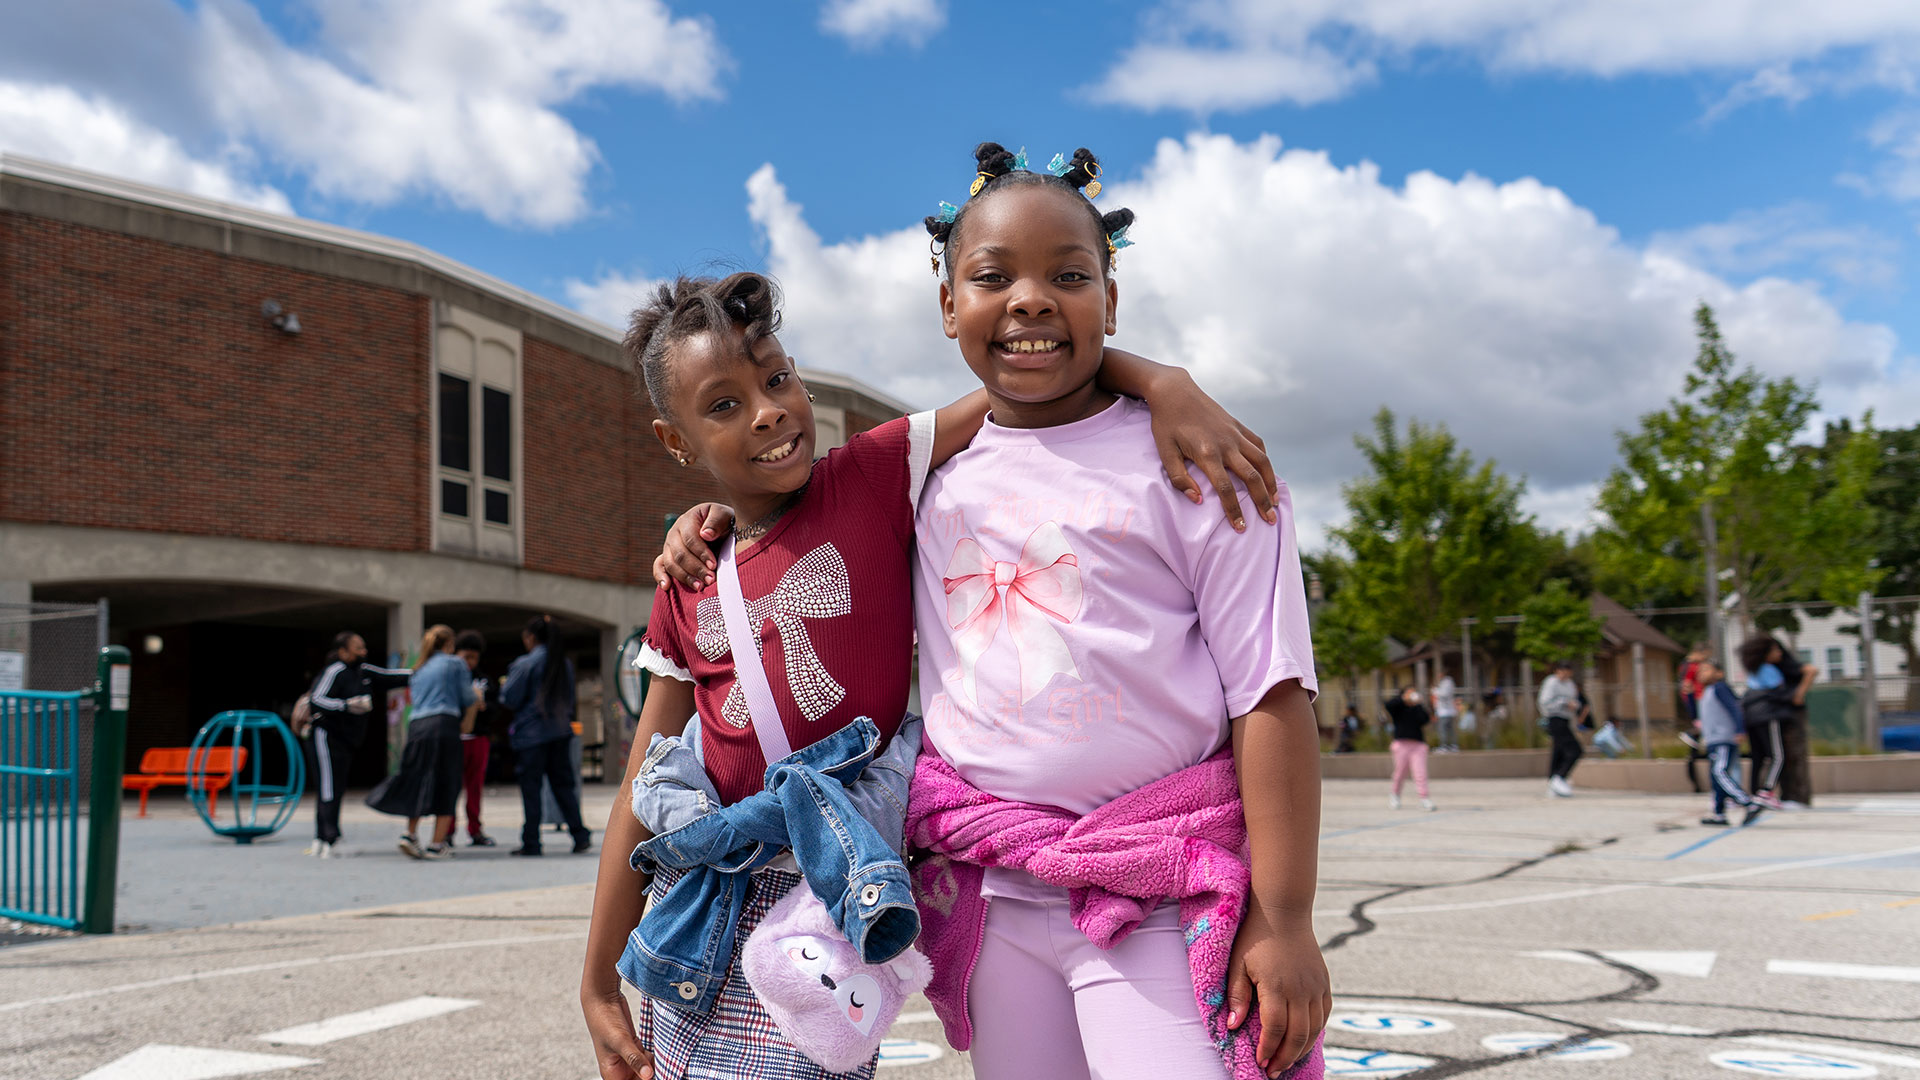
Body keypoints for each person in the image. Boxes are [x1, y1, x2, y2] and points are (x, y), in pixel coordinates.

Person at [583, 261, 1269, 1080]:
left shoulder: (870, 479)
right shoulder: (691, 576)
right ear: (676, 442)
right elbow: (646, 780)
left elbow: (1022, 372)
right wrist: (596, 979)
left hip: (825, 897)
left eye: (776, 379)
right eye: (724, 405)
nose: (769, 413)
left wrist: (1164, 383)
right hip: (694, 905)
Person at [365, 624, 473, 859]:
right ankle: (437, 844)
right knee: (447, 781)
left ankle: (410, 834)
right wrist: (477, 696)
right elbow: (467, 696)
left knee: (417, 777)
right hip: (444, 724)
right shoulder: (454, 663)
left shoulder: (418, 668)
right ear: (449, 644)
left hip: (417, 727)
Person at [303, 630, 411, 857]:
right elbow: (317, 699)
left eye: (363, 647)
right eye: (358, 647)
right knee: (328, 787)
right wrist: (346, 705)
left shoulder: (364, 671)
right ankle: (327, 838)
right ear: (343, 651)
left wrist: (423, 673)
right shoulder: (335, 671)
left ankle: (325, 838)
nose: (363, 651)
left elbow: (392, 676)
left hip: (346, 740)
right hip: (325, 735)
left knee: (337, 786)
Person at [504, 614, 592, 857]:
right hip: (560, 732)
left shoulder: (525, 664)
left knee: (531, 789)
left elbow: (509, 698)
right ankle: (579, 834)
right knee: (563, 786)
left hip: (531, 736)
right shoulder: (563, 664)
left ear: (530, 637)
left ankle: (532, 841)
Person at [1738, 635, 1817, 808]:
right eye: (1775, 650)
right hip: (1768, 715)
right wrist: (1797, 696)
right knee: (1778, 756)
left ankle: (1755, 794)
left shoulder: (1754, 670)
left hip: (1751, 717)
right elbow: (1778, 691)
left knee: (1758, 757)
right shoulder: (1771, 670)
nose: (1779, 653)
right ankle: (1767, 791)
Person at [1696, 659, 1774, 826]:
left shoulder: (1720, 688)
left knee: (1719, 772)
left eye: (1706, 670)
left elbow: (1734, 707)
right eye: (1700, 671)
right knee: (1715, 777)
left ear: (1719, 673)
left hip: (1723, 738)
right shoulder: (1707, 691)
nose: (1701, 674)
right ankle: (1719, 814)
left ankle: (1747, 802)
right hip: (1713, 740)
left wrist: (1740, 729)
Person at [453, 629, 495, 847]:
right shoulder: (449, 677)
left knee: (475, 787)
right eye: (465, 656)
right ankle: (446, 831)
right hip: (454, 739)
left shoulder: (484, 680)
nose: (469, 662)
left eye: (474, 657)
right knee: (451, 787)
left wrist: (485, 708)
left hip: (478, 738)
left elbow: (497, 706)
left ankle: (475, 829)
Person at [1383, 686, 1436, 811]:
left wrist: (1417, 704)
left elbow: (1425, 719)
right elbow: (1388, 705)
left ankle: (1424, 798)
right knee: (1400, 773)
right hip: (1401, 744)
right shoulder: (1398, 708)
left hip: (1418, 745)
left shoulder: (1416, 709)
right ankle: (1395, 795)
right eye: (1409, 692)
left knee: (1420, 773)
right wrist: (1403, 699)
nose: (1412, 694)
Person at [1539, 659, 1583, 797]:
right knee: (1574, 749)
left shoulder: (1570, 684)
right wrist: (1563, 703)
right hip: (1554, 719)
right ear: (1557, 671)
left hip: (1566, 719)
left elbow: (1576, 701)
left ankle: (1554, 782)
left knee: (1558, 751)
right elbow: (1545, 702)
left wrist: (1574, 705)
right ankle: (1559, 777)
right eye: (1562, 671)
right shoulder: (1551, 682)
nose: (1565, 675)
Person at [1678, 643, 1709, 794]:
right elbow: (1687, 688)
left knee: (1696, 751)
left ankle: (1697, 784)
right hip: (1699, 708)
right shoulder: (1691, 666)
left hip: (1698, 708)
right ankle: (1696, 784)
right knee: (1696, 750)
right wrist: (1696, 715)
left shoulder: (1686, 665)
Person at [1430, 668, 1459, 753]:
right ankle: (1452, 745)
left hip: (1446, 711)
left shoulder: (1447, 682)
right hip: (1444, 710)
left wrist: (1435, 691)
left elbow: (1444, 694)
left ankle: (1445, 746)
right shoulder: (1444, 682)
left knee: (1443, 729)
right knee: (1449, 729)